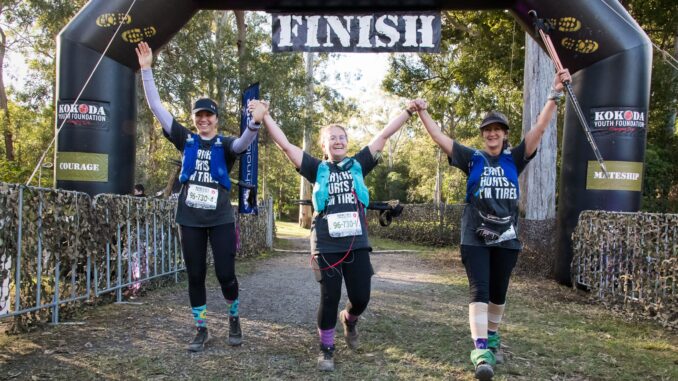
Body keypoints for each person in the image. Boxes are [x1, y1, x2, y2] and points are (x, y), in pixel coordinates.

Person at [414, 68, 571, 380]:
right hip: (474, 237)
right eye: (487, 130)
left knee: (499, 291)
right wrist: (422, 112)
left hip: (508, 238)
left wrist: (555, 94)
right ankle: (481, 351)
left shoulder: (515, 157)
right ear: (483, 134)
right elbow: (438, 137)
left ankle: (494, 338)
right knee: (480, 289)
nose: (492, 133)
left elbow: (540, 128)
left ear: (504, 134)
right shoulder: (472, 158)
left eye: (497, 129)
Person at [248, 99, 416, 371]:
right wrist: (265, 116)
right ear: (323, 146)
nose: (337, 141)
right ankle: (326, 349)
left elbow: (384, 135)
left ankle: (349, 319)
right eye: (331, 139)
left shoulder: (359, 163)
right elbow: (286, 146)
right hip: (326, 243)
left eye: (341, 137)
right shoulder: (317, 168)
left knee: (361, 297)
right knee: (329, 297)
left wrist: (409, 111)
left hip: (357, 242)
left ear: (347, 142)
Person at [136, 41, 262, 352]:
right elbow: (156, 108)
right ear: (194, 118)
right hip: (189, 218)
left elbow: (245, 142)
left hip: (219, 218)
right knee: (194, 274)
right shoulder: (186, 139)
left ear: (216, 119)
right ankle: (201, 328)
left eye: (209, 115)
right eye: (199, 115)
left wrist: (255, 122)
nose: (204, 119)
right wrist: (147, 70)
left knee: (225, 274)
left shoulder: (226, 144)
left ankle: (233, 316)